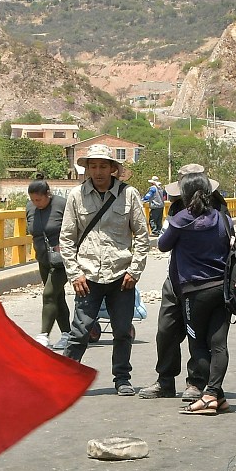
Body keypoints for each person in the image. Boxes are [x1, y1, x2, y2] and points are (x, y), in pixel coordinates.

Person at [59, 144, 149, 396]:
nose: (98, 171)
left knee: (122, 331)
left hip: (122, 276)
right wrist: (74, 273)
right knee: (80, 330)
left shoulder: (129, 194)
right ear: (87, 168)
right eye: (93, 166)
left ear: (113, 169)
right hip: (87, 276)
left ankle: (122, 378)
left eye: (103, 166)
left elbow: (142, 235)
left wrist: (135, 270)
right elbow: (66, 238)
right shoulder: (76, 196)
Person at [138, 164, 228, 399]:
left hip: (199, 283)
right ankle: (165, 381)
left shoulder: (218, 206)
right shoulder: (177, 207)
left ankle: (196, 383)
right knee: (165, 331)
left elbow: (165, 243)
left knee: (198, 337)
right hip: (176, 280)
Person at [158, 173, 233, 415]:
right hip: (221, 289)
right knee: (219, 344)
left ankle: (210, 395)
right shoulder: (221, 218)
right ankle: (218, 396)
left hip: (193, 292)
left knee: (197, 344)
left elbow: (162, 245)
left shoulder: (181, 219)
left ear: (184, 194)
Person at [25, 179, 71, 351]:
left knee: (49, 294)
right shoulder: (30, 208)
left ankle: (43, 335)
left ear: (48, 195)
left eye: (39, 200)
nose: (36, 204)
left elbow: (77, 228)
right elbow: (31, 230)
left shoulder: (62, 205)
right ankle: (67, 334)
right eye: (32, 200)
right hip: (43, 259)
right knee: (58, 297)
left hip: (63, 260)